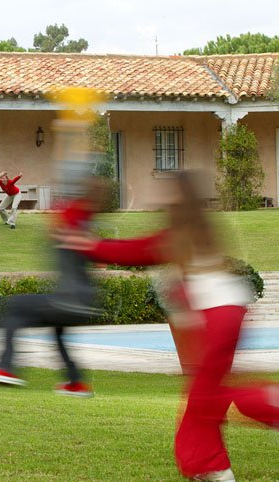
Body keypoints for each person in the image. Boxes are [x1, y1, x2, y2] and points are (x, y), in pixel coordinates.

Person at [57, 171, 279, 481]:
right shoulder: (199, 231)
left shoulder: (178, 235)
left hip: (218, 319)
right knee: (204, 398)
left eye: (169, 195)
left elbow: (135, 251)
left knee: (208, 398)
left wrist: (87, 244)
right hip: (228, 315)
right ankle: (208, 467)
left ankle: (215, 464)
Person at [0, 176, 110, 397]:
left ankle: (6, 367)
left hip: (71, 300)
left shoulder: (77, 224)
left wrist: (64, 230)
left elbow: (65, 231)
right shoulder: (86, 223)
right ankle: (76, 382)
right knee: (57, 332)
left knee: (13, 305)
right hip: (82, 302)